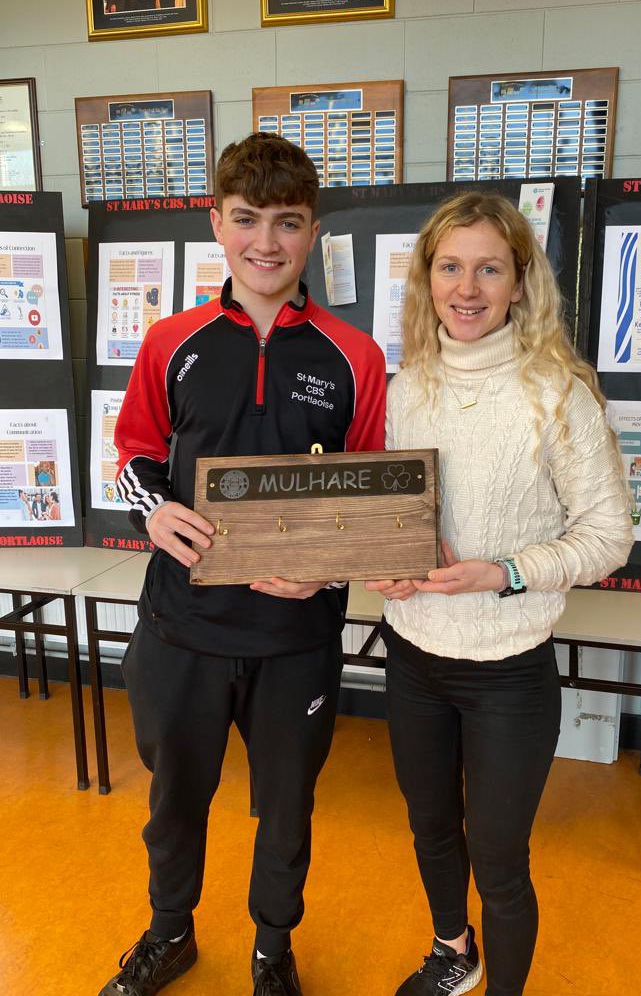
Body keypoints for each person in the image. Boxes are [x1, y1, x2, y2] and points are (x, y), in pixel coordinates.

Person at [99, 132, 385, 996]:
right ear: (216, 222)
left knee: (287, 809)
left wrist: (327, 570)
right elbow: (134, 455)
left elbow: (370, 501)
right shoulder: (172, 341)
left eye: (288, 222)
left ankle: (272, 947)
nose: (266, 242)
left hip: (295, 634)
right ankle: (169, 933)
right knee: (174, 798)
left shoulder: (353, 356)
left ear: (313, 232)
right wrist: (156, 516)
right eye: (248, 219)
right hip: (181, 624)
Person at [366, 192, 633, 996]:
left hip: (507, 670)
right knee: (429, 826)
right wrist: (388, 562)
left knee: (499, 857)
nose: (468, 287)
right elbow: (392, 512)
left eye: (489, 267)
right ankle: (456, 953)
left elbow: (608, 536)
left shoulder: (557, 392)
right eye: (450, 267)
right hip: (414, 654)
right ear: (427, 278)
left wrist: (505, 571)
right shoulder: (404, 385)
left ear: (520, 281)